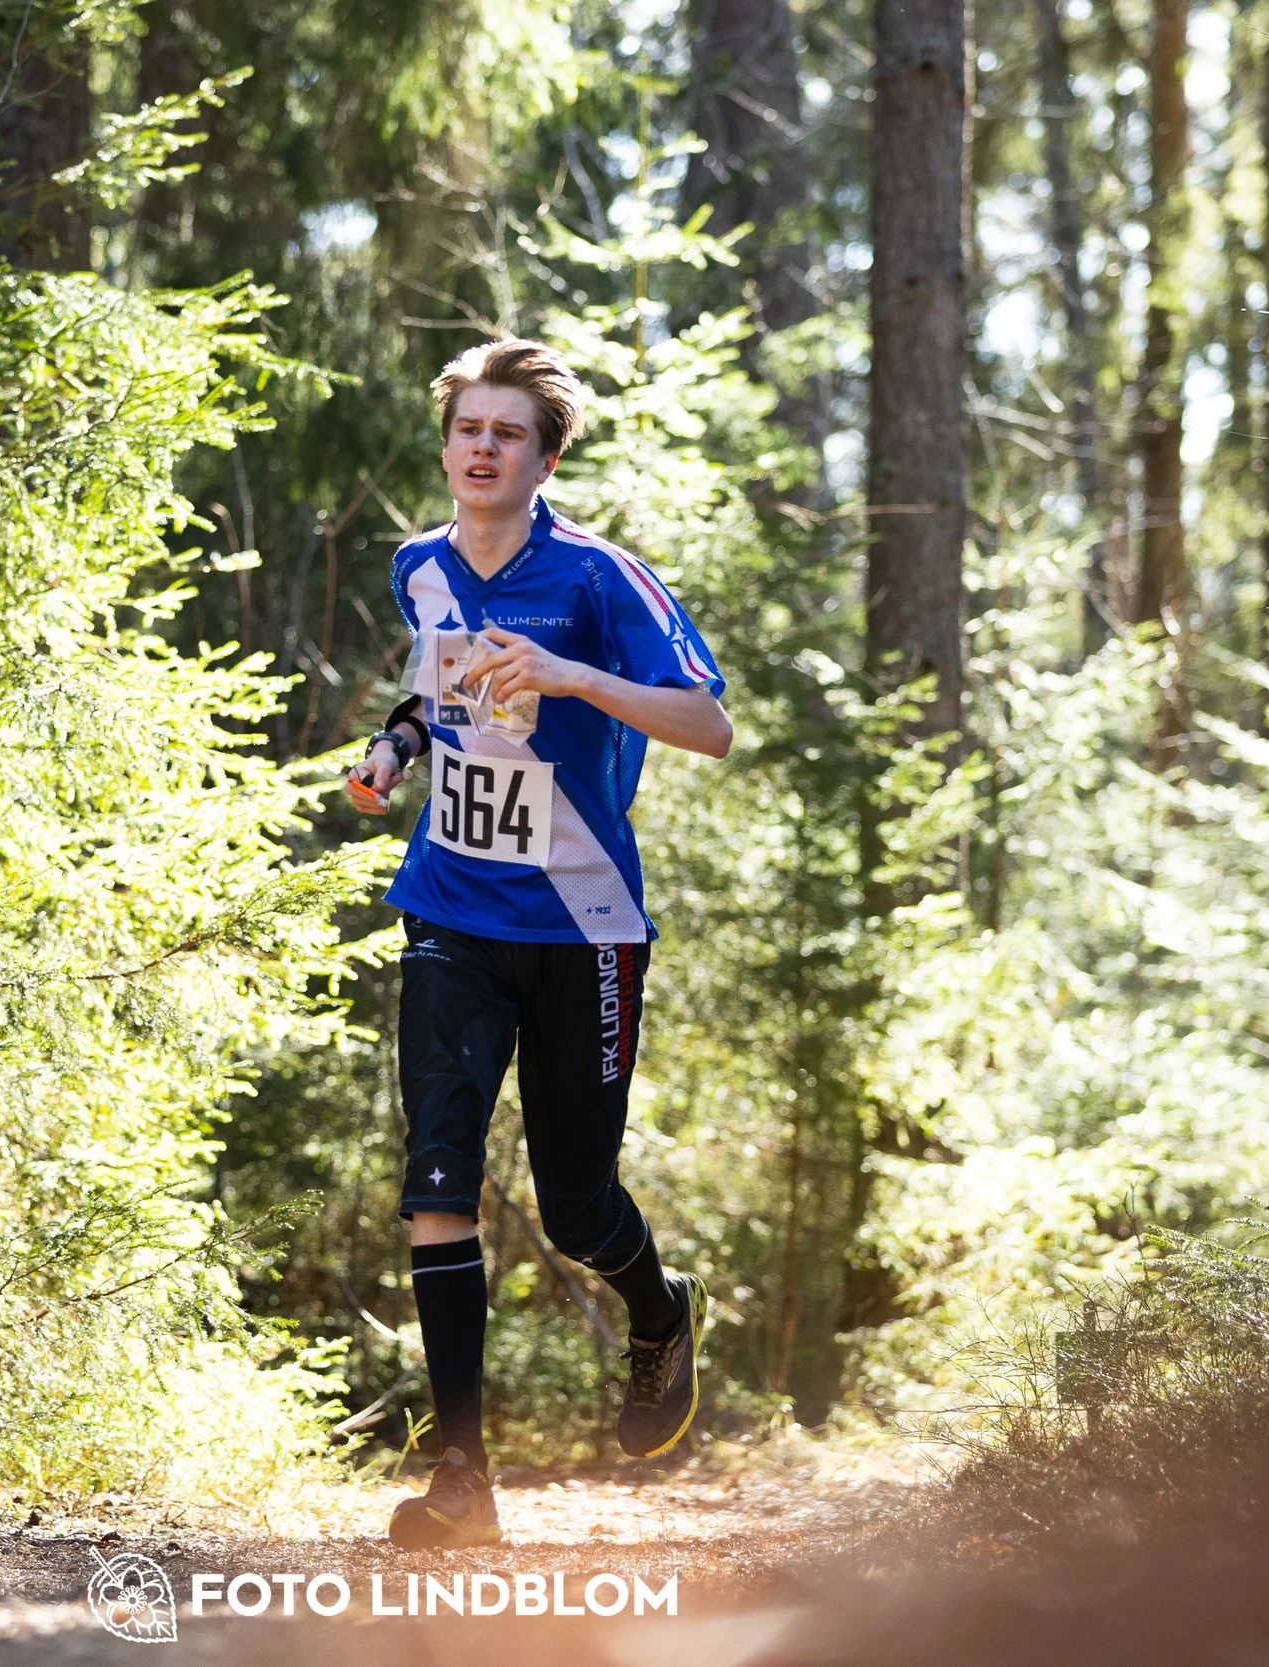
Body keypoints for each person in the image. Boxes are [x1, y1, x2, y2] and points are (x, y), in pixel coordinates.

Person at [344, 338, 733, 1550]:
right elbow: (433, 685)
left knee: (573, 1204)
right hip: (451, 906)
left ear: (545, 455)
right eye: (468, 428)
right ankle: (463, 1478)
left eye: (507, 433)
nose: (480, 447)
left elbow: (707, 724)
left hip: (584, 925)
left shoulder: (603, 579)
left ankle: (659, 1309)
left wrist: (571, 673)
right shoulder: (423, 567)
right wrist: (396, 746)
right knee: (437, 1180)